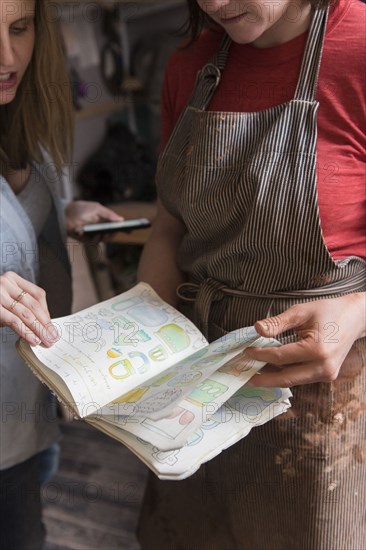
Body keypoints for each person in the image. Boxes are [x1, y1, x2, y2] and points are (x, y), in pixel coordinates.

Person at [136, 0, 366, 548]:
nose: (213, 4)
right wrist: (145, 333)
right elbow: (170, 228)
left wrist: (358, 310)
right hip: (197, 382)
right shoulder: (188, 66)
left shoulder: (357, 48)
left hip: (322, 401)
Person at [0, 1, 123, 549]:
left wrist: (62, 213)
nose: (7, 56)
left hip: (27, 409)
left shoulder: (24, 120)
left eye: (19, 29)